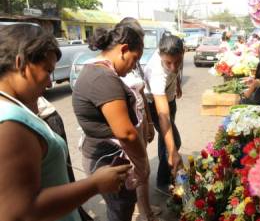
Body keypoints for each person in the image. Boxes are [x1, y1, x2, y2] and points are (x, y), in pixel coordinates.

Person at [0, 23, 131, 221]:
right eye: (47, 70)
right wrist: (94, 185)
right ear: (21, 64)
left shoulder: (12, 108)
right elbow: (20, 212)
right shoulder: (10, 124)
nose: (50, 82)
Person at [72, 24, 147, 221]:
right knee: (120, 209)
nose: (134, 66)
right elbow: (126, 133)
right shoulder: (102, 77)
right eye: (135, 59)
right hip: (107, 159)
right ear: (123, 50)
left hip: (105, 155)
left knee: (120, 207)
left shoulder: (99, 72)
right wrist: (143, 165)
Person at [115, 17, 162, 221]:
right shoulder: (114, 68)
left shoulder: (135, 62)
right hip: (127, 125)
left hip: (141, 120)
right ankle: (144, 213)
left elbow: (142, 94)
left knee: (142, 170)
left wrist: (149, 122)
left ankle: (144, 208)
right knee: (138, 169)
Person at [144, 34, 184, 195]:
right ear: (160, 55)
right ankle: (162, 181)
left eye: (177, 62)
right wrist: (174, 152)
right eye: (168, 63)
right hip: (154, 105)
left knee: (165, 141)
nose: (173, 67)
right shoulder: (156, 73)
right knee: (174, 142)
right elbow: (163, 115)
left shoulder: (174, 56)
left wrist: (177, 85)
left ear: (183, 52)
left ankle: (166, 169)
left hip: (170, 99)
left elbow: (175, 72)